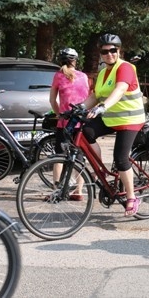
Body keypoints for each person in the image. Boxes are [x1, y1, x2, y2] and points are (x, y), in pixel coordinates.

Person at [80, 34, 145, 216]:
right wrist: (79, 107)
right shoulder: (102, 73)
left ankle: (132, 197)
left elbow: (120, 89)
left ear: (119, 51)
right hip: (111, 118)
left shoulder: (125, 67)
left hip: (130, 120)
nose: (109, 54)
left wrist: (103, 106)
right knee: (86, 131)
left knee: (120, 158)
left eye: (113, 50)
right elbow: (95, 96)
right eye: (104, 51)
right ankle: (100, 170)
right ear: (100, 53)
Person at [49, 47, 90, 200]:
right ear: (75, 60)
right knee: (79, 157)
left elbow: (52, 100)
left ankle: (56, 190)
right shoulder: (84, 76)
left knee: (59, 156)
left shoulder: (58, 76)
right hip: (80, 123)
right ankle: (79, 191)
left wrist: (59, 114)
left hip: (65, 123)